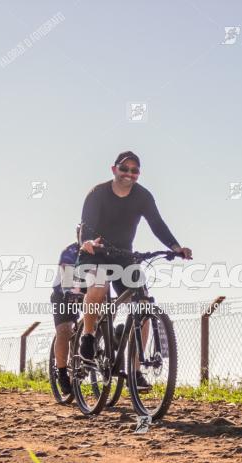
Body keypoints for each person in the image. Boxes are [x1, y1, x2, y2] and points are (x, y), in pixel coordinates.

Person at [76, 151, 192, 389]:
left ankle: (135, 371)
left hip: (124, 257)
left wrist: (175, 247)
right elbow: (85, 224)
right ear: (114, 169)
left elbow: (157, 224)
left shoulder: (143, 197)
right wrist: (87, 241)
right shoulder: (97, 193)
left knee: (144, 305)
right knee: (98, 285)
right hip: (95, 253)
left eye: (134, 170)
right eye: (124, 169)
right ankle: (88, 336)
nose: (129, 174)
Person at [50, 228, 81, 395]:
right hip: (62, 293)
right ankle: (62, 373)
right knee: (65, 330)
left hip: (86, 291)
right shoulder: (70, 251)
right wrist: (70, 291)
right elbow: (66, 276)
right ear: (78, 235)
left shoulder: (102, 250)